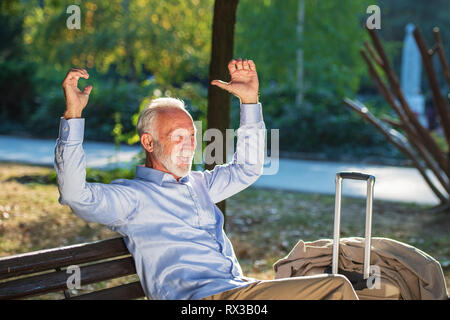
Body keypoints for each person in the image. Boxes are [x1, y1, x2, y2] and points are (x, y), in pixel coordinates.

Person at [55, 58, 358, 300]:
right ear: (149, 143)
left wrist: (250, 103)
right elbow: (75, 194)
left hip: (239, 290)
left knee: (352, 284)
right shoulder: (132, 198)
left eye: (192, 136)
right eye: (178, 137)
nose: (189, 145)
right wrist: (73, 115)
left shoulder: (199, 184)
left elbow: (247, 169)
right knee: (336, 288)